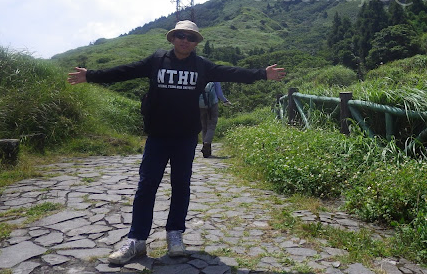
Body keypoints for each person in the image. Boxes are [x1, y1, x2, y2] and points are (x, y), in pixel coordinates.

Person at [67, 20, 286, 266]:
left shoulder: (202, 66)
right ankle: (137, 240)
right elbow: (125, 71)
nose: (185, 40)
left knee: (181, 186)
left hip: (185, 137)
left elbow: (231, 72)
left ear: (195, 43)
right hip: (158, 136)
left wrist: (262, 74)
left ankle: (175, 236)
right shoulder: (157, 60)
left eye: (191, 37)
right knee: (146, 186)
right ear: (172, 38)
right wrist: (91, 76)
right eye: (181, 35)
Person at [199, 81, 230, 158]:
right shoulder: (215, 78)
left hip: (200, 104)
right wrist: (225, 101)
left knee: (204, 126)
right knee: (211, 126)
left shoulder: (200, 75)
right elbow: (219, 93)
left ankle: (206, 150)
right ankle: (206, 144)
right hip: (213, 104)